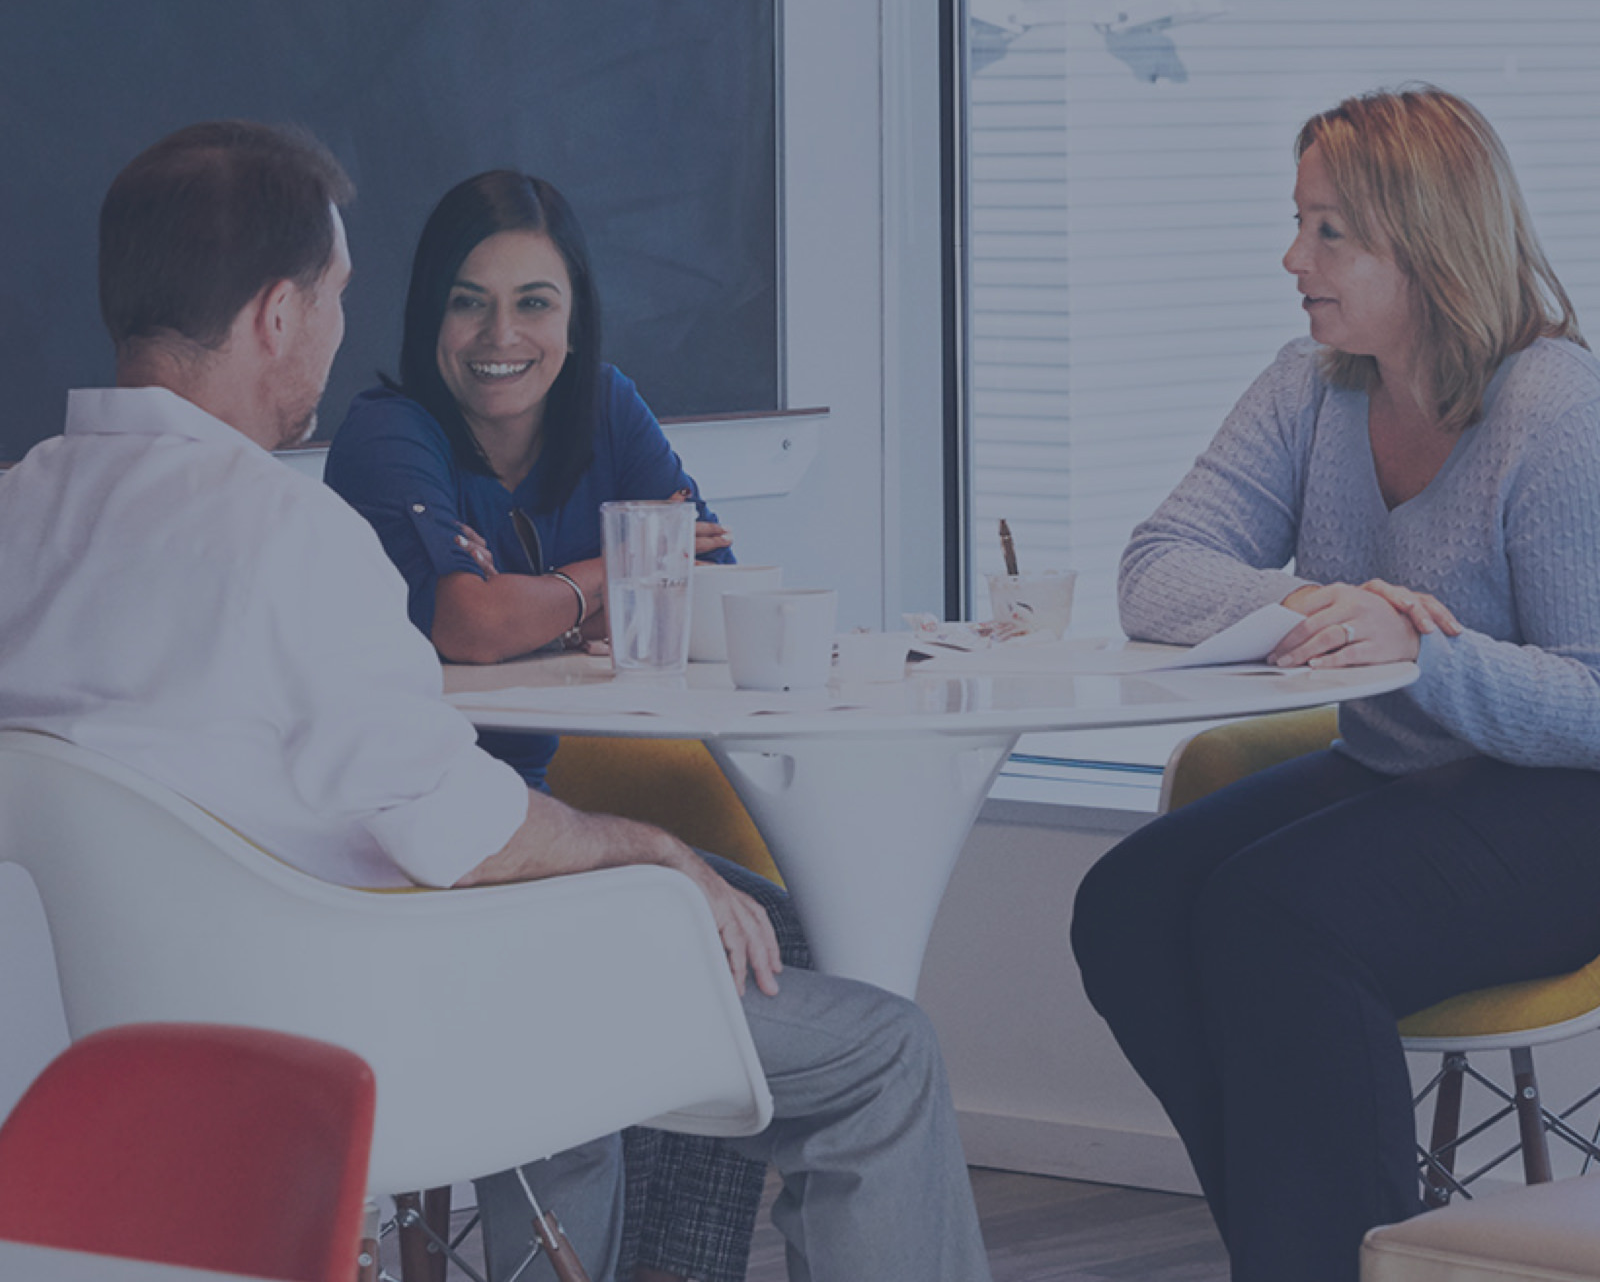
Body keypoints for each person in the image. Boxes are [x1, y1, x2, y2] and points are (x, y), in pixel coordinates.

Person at [0, 120, 993, 1282]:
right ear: (278, 314)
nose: (335, 332)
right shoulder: (281, 530)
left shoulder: (23, 513)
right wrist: (654, 851)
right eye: (334, 296)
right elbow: (460, 830)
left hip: (110, 1054)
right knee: (883, 1052)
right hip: (385, 1027)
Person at [1069, 85, 1600, 1282]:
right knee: (1128, 906)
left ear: (1424, 242)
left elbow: (1594, 695)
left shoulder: (1553, 408)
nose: (1290, 257)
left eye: (1327, 232)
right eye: (1298, 223)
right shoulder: (1314, 382)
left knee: (1277, 917)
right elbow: (1155, 566)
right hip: (1405, 770)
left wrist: (1419, 651)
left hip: (1566, 802)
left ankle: (1323, 1258)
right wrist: (1311, 605)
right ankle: (1312, 1251)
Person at [323, 170, 801, 1282]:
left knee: (771, 929)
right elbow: (472, 622)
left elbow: (712, 562)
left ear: (574, 315)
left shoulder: (608, 409)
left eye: (534, 301)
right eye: (466, 301)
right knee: (707, 946)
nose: (502, 334)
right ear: (425, 315)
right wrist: (609, 576)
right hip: (438, 843)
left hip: (537, 819)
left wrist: (556, 589)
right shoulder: (387, 433)